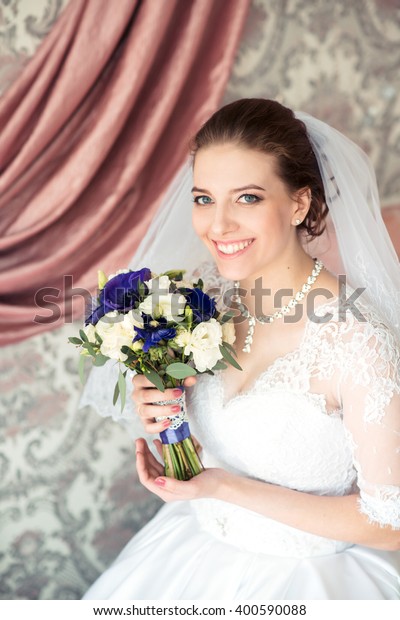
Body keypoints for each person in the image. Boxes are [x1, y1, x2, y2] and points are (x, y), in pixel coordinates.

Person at [82, 99, 400, 600]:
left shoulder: (357, 338)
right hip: (192, 555)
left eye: (247, 198)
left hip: (311, 583)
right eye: (204, 198)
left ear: (299, 204)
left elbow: (390, 524)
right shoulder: (200, 310)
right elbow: (224, 450)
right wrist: (169, 427)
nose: (219, 225)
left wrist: (221, 488)